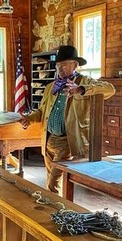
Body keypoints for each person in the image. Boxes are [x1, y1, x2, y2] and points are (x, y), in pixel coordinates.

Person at [20, 45, 115, 194]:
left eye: (64, 65)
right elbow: (41, 112)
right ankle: (56, 209)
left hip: (67, 141)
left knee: (53, 182)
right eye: (58, 65)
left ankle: (53, 210)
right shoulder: (51, 87)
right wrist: (29, 119)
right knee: (50, 180)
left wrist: (81, 89)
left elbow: (110, 89)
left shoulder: (84, 81)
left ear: (75, 65)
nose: (60, 68)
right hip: (48, 140)